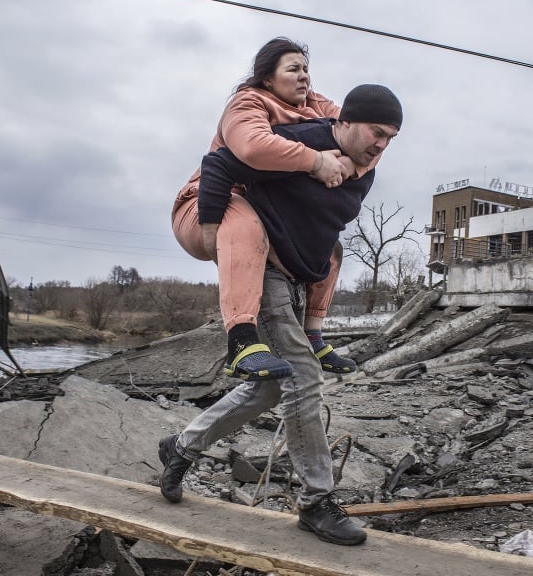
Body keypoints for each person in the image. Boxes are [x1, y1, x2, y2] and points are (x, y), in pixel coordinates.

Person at [160, 84, 403, 547]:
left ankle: (182, 445)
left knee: (273, 385)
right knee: (305, 379)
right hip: (263, 268)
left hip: (295, 280)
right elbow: (220, 163)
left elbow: (322, 227)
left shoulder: (364, 168)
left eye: (391, 137)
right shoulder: (306, 142)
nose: (382, 144)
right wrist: (213, 229)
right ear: (346, 122)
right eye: (377, 132)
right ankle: (315, 501)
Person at [171, 37, 362, 382]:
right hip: (207, 205)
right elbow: (252, 147)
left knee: (330, 247)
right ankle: (241, 341)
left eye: (306, 69)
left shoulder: (317, 106)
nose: (304, 76)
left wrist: (351, 163)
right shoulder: (247, 102)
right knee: (242, 217)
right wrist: (317, 160)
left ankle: (314, 336)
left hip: (264, 216)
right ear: (268, 79)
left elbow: (362, 134)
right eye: (294, 69)